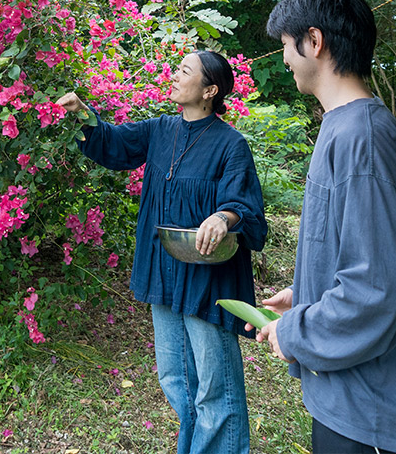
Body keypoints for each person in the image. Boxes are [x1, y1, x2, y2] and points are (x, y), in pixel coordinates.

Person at [250, 0, 396, 454]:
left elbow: (375, 289)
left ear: (314, 41)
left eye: (286, 46)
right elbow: (355, 250)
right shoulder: (344, 127)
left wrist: (296, 331)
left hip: (373, 411)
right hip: (350, 399)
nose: (285, 59)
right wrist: (306, 293)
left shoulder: (361, 139)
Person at [56, 50, 267, 454]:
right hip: (164, 274)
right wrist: (83, 113)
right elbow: (113, 144)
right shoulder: (160, 131)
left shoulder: (231, 144)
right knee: (176, 379)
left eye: (184, 71)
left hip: (209, 281)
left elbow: (245, 206)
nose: (174, 75)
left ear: (209, 90)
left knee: (214, 387)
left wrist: (223, 218)